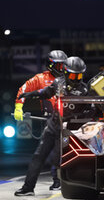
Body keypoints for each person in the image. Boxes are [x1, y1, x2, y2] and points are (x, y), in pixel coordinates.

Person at [14, 57, 89, 196]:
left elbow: (91, 110)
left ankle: (62, 184)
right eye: (73, 75)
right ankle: (28, 188)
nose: (77, 78)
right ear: (66, 73)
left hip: (69, 128)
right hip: (53, 124)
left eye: (79, 75)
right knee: (38, 156)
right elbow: (45, 93)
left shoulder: (85, 90)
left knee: (60, 158)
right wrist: (31, 94)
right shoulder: (58, 82)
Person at [14, 50, 67, 191]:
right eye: (59, 66)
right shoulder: (40, 79)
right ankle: (33, 186)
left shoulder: (70, 80)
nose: (61, 69)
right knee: (43, 154)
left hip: (67, 121)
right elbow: (23, 89)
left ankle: (59, 181)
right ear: (50, 65)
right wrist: (19, 107)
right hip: (50, 120)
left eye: (63, 66)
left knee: (59, 152)